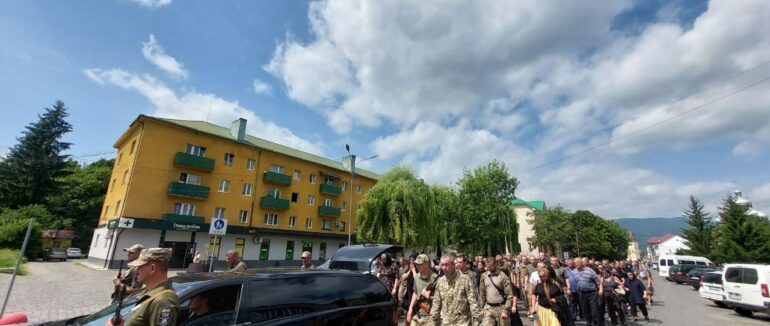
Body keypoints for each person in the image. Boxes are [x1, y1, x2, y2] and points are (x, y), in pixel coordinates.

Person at [107, 248, 178, 326]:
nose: (137, 270)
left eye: (140, 267)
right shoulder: (149, 292)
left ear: (152, 268)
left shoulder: (164, 301)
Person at [430, 254, 480, 325]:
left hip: (462, 322)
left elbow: (473, 302)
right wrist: (434, 322)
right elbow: (436, 304)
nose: (444, 268)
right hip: (446, 322)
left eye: (447, 265)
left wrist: (476, 322)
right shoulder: (440, 281)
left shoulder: (464, 279)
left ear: (453, 265)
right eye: (442, 265)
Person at [479, 257, 513, 326]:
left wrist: (506, 310)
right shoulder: (484, 275)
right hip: (488, 308)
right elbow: (482, 293)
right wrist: (481, 308)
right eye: (487, 266)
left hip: (501, 308)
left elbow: (510, 295)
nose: (489, 268)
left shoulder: (502, 276)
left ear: (496, 264)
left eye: (491, 266)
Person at [407, 254, 438, 326]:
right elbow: (415, 293)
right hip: (418, 314)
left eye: (420, 264)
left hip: (430, 316)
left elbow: (441, 298)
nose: (417, 266)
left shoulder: (435, 278)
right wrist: (410, 309)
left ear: (427, 263)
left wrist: (429, 297)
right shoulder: (417, 277)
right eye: (416, 264)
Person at [574, 258, 602, 326]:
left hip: (592, 292)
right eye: (575, 262)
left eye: (578, 262)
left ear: (582, 263)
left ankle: (597, 322)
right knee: (585, 309)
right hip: (581, 293)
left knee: (594, 309)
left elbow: (598, 281)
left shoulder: (590, 270)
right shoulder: (574, 271)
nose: (576, 264)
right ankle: (589, 322)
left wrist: (600, 289)